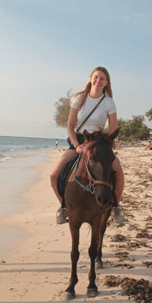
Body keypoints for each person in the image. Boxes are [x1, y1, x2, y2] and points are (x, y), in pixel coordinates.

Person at [49, 66, 125, 225]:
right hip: (79, 140)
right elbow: (70, 126)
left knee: (118, 172)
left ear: (106, 83)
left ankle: (116, 207)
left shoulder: (109, 103)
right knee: (54, 175)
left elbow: (113, 131)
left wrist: (106, 148)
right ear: (91, 78)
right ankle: (63, 207)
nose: (98, 81)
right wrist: (77, 146)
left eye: (102, 78)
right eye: (96, 77)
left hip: (98, 142)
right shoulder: (79, 98)